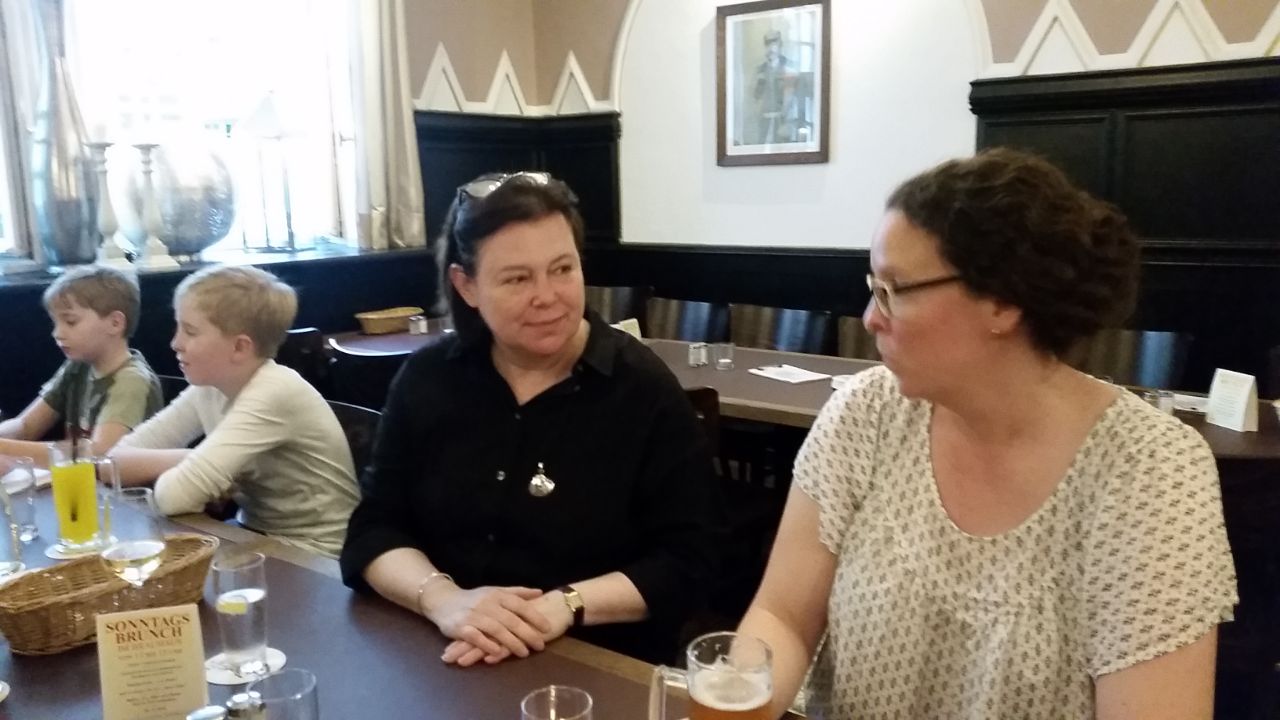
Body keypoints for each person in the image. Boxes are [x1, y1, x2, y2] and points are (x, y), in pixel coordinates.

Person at [738, 148, 1237, 718]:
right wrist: (742, 700)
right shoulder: (866, 413)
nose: (870, 317)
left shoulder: (1150, 471)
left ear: (1002, 301)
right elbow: (783, 616)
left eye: (893, 290)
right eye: (873, 286)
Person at [340, 171, 721, 666]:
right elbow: (373, 530)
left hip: (596, 662)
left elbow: (690, 562)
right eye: (518, 278)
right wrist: (444, 600)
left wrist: (563, 606)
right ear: (467, 285)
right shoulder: (428, 378)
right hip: (439, 652)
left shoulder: (643, 389)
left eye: (562, 269)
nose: (548, 296)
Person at [109, 265, 358, 557]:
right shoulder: (210, 386)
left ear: (240, 347)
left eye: (190, 331)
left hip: (320, 556)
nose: (175, 343)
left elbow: (172, 498)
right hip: (253, 537)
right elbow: (113, 462)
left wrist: (199, 469)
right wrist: (191, 459)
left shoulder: (274, 392)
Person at [0, 265, 162, 464]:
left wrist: (4, 447)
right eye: (55, 323)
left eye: (70, 322)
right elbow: (26, 426)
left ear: (115, 323)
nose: (57, 333)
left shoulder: (132, 380)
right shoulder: (78, 366)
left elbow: (100, 452)